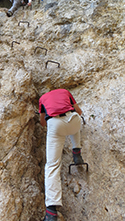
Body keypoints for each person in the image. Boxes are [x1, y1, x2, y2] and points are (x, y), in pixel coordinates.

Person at [39, 89, 84, 221]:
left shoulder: (43, 98)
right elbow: (79, 111)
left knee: (52, 165)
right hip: (74, 120)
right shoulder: (65, 91)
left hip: (56, 124)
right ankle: (77, 152)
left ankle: (51, 211)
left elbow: (43, 123)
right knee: (75, 121)